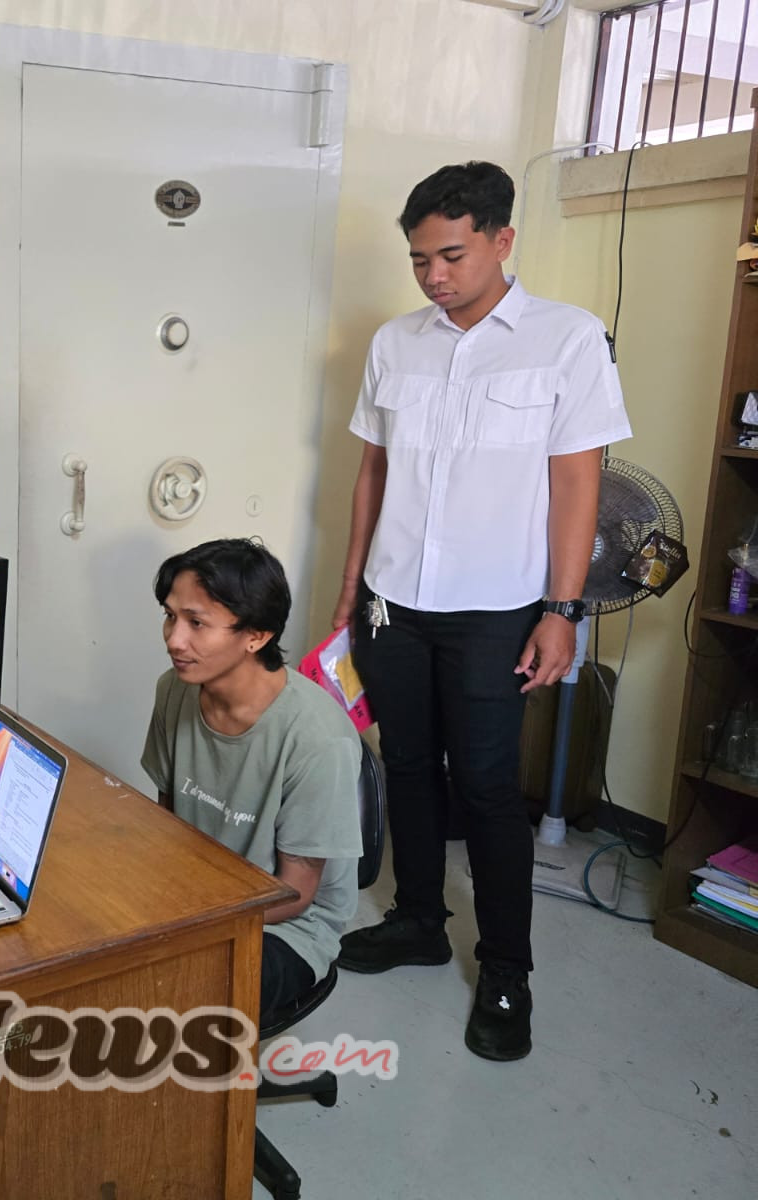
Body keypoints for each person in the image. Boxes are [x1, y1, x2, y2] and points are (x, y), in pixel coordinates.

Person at [331, 162, 631, 1062]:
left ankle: (506, 970)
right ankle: (420, 921)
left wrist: (563, 611)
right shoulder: (396, 343)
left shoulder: (566, 339)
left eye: (451, 255)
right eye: (419, 259)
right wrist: (352, 588)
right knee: (409, 767)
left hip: (499, 608)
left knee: (493, 791)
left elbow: (579, 479)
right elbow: (374, 472)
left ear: (503, 240)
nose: (433, 275)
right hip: (394, 602)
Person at [141, 538, 362, 1018]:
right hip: (194, 899)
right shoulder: (175, 691)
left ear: (256, 636)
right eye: (171, 616)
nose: (175, 639)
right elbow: (167, 825)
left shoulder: (318, 739)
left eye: (197, 623)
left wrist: (178, 929)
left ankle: (205, 1094)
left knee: (156, 1001)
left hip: (285, 927)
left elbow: (296, 895)